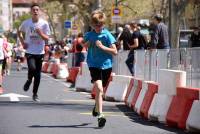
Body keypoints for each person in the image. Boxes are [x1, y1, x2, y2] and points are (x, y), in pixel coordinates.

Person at [83, 10, 117, 128]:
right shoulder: (89, 35)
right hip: (93, 64)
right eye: (96, 24)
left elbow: (115, 51)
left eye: (100, 24)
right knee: (99, 88)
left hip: (107, 65)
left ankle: (97, 107)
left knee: (100, 91)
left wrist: (102, 47)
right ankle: (101, 116)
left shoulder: (107, 35)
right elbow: (83, 44)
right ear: (92, 24)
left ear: (103, 24)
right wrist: (86, 44)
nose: (98, 27)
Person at [17, 3, 50, 101]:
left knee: (38, 74)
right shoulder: (26, 23)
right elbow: (19, 31)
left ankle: (35, 94)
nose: (35, 11)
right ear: (31, 12)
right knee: (32, 67)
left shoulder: (44, 23)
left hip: (40, 51)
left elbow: (47, 38)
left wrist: (40, 33)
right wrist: (23, 42)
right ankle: (29, 80)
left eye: (37, 10)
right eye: (33, 10)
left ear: (39, 12)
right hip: (30, 50)